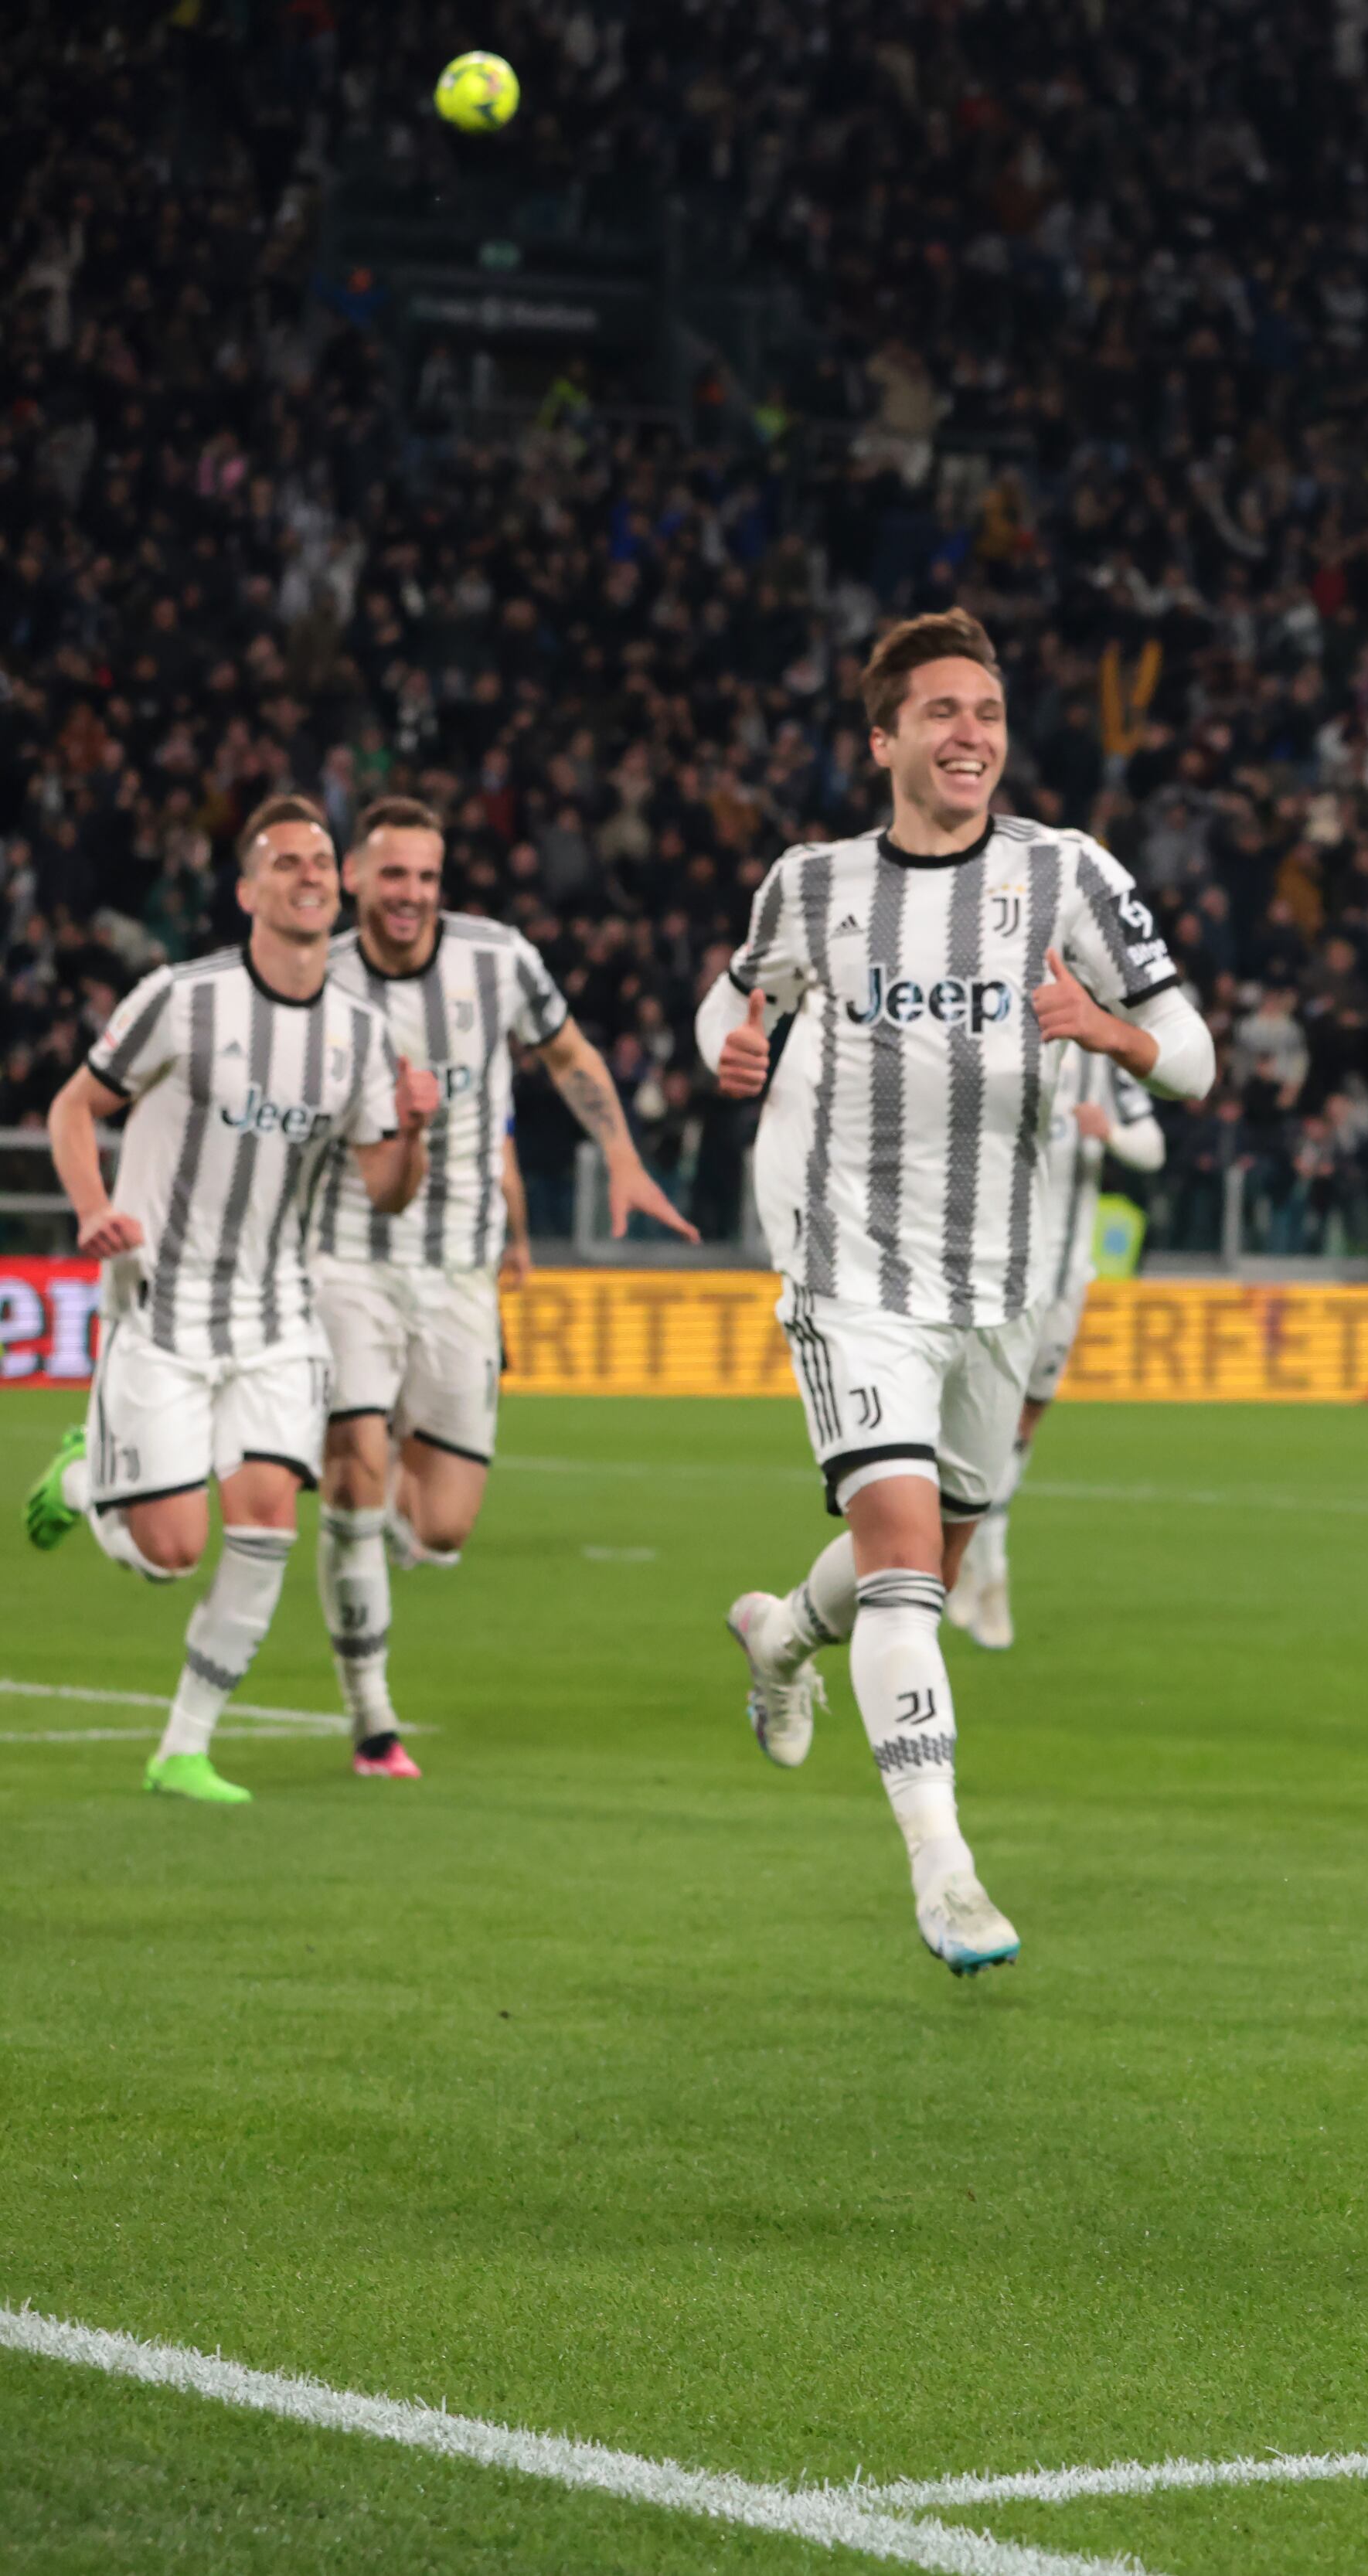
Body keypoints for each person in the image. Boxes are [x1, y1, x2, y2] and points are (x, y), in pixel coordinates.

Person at [696, 610, 1216, 1974]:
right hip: (848, 1263)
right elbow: (728, 1000)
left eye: (985, 709)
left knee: (929, 1555)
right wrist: (734, 1044)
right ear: (885, 740)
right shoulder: (811, 884)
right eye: (940, 711)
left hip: (1004, 1278)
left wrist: (1107, 1029)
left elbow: (1197, 1057)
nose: (970, 731)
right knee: (908, 1565)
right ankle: (945, 1868)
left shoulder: (1069, 875)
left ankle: (780, 1635)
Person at [21, 797, 436, 1802]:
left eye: (323, 863)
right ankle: (89, 1480)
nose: (310, 876)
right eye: (287, 862)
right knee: (170, 1552)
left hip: (278, 1314)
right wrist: (89, 1208)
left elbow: (386, 1191)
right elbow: (75, 1106)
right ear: (248, 890)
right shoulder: (181, 997)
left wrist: (415, 1131)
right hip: (163, 1303)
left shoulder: (361, 1034)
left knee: (265, 1527)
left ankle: (181, 1748)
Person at [308, 797, 697, 1774]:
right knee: (355, 1476)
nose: (411, 896)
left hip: (460, 1271)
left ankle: (370, 1474)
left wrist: (620, 1154)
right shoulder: (314, 971)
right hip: (343, 1253)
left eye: (427, 878)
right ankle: (372, 1719)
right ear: (355, 877)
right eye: (393, 876)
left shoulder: (499, 960)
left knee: (440, 1528)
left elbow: (566, 1054)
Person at [948, 1034, 1162, 1649]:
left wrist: (1111, 1134)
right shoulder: (995, 1041)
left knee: (1025, 1419)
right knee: (979, 1416)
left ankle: (979, 1560)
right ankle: (989, 1568)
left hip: (1068, 1277)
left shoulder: (1103, 1064)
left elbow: (1154, 1146)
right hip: (995, 1272)